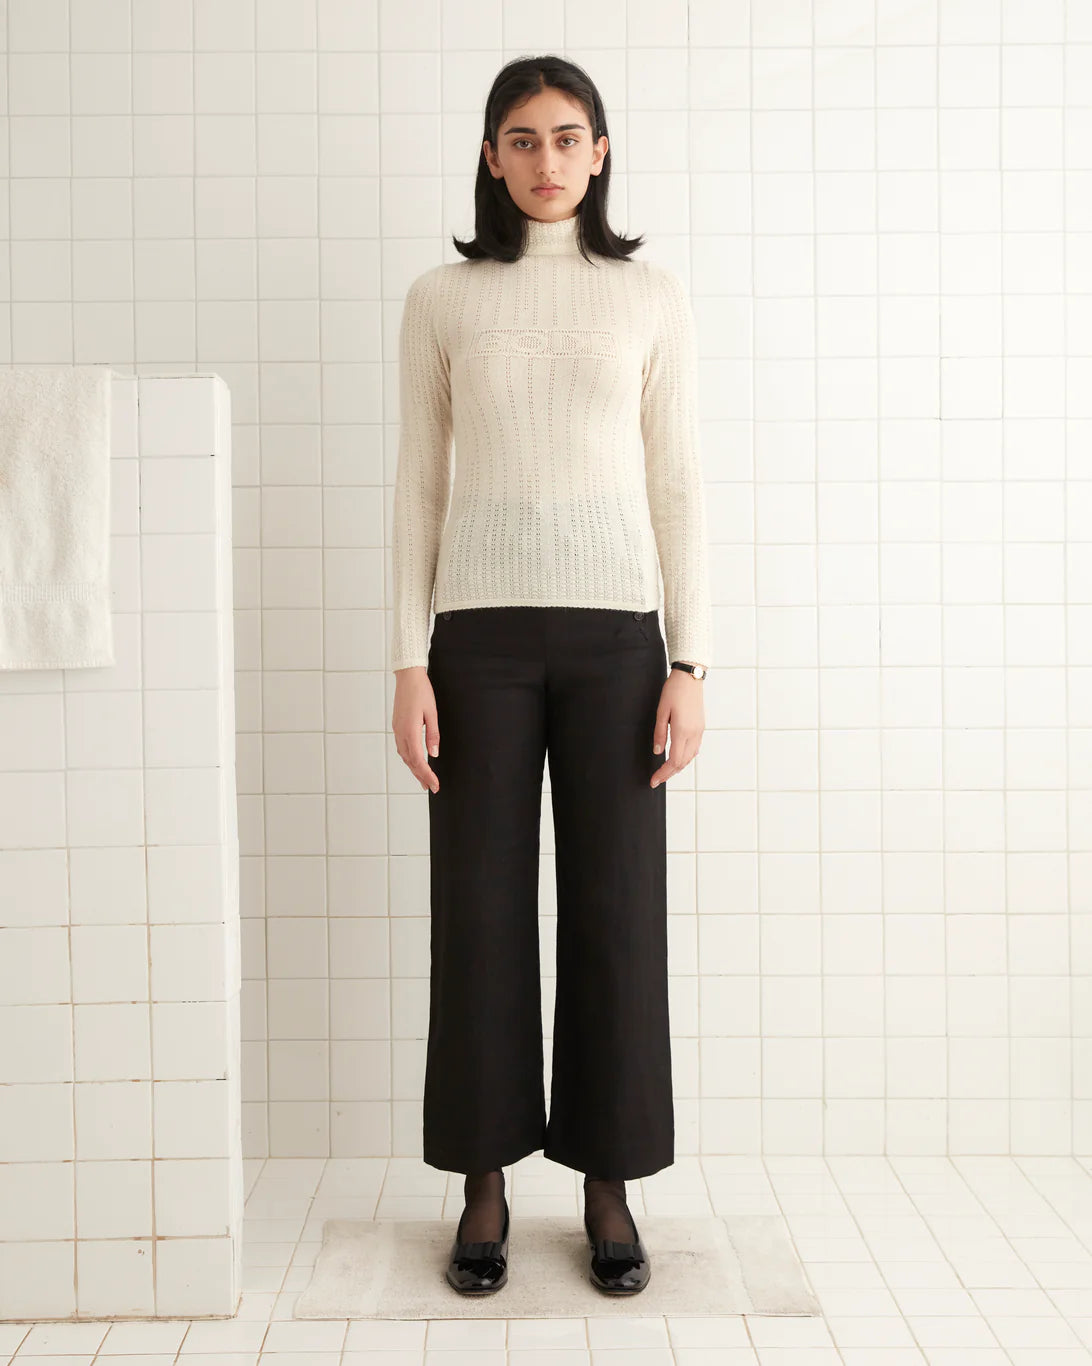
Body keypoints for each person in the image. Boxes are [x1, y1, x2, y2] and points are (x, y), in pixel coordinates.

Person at [390, 55, 712, 1297]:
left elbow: (678, 482)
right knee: (477, 911)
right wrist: (407, 659)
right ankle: (483, 1183)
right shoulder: (442, 299)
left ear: (601, 152)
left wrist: (689, 660)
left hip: (617, 644)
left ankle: (608, 1182)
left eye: (568, 137)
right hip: (475, 644)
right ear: (490, 156)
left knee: (616, 911)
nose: (546, 160)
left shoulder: (649, 297)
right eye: (521, 139)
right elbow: (417, 483)